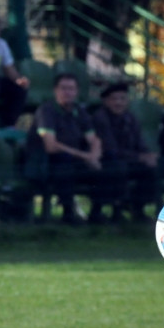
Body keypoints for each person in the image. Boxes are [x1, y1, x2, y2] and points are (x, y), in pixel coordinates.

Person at [25, 72, 106, 224]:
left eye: (71, 88)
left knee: (108, 164)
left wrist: (94, 156)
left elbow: (93, 139)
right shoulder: (46, 111)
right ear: (55, 90)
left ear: (77, 91)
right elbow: (51, 146)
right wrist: (85, 156)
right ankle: (68, 214)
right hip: (46, 163)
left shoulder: (80, 111)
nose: (67, 92)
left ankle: (97, 215)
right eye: (63, 88)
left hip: (75, 159)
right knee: (64, 162)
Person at [91, 82, 161, 221]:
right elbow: (109, 148)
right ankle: (113, 211)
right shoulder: (100, 118)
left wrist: (147, 155)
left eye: (122, 98)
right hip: (106, 161)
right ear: (106, 101)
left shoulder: (130, 118)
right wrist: (139, 157)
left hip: (129, 160)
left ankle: (138, 208)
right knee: (117, 167)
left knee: (152, 168)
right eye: (114, 99)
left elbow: (139, 142)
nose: (118, 102)